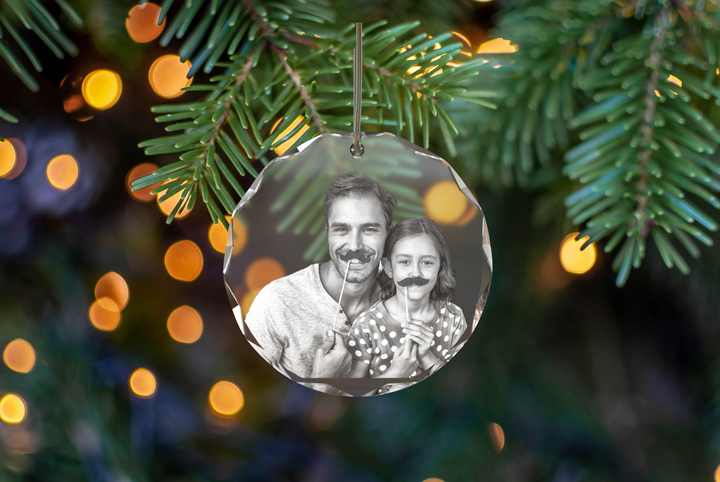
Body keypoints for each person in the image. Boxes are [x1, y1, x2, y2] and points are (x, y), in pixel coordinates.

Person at [243, 171, 398, 383]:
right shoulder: (276, 301)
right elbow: (255, 398)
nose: (354, 245)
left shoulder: (409, 304)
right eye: (342, 229)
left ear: (388, 234)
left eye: (369, 229)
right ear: (327, 231)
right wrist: (324, 380)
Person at [345, 218, 466, 387]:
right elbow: (352, 391)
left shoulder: (453, 318)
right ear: (389, 268)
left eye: (427, 263)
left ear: (440, 267)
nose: (415, 272)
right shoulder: (366, 326)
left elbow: (457, 388)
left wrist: (426, 355)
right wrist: (396, 373)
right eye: (404, 262)